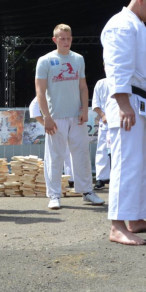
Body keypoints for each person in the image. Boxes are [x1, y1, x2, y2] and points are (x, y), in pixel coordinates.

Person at [101, 0, 146, 246]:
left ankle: (136, 218)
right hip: (128, 102)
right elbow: (117, 66)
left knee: (142, 165)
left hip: (143, 104)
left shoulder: (137, 25)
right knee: (126, 164)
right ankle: (117, 225)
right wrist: (123, 103)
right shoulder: (121, 24)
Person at [36, 24, 103, 210]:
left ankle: (87, 191)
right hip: (55, 117)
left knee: (81, 154)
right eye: (61, 38)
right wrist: (46, 116)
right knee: (55, 156)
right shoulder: (45, 60)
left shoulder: (78, 59)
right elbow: (40, 91)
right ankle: (54, 195)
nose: (65, 41)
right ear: (54, 39)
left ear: (71, 39)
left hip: (76, 115)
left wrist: (84, 110)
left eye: (68, 38)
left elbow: (83, 86)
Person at [92, 77, 111, 189]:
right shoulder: (100, 83)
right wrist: (102, 115)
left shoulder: (123, 79)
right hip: (105, 121)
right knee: (102, 149)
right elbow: (95, 104)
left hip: (120, 120)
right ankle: (101, 178)